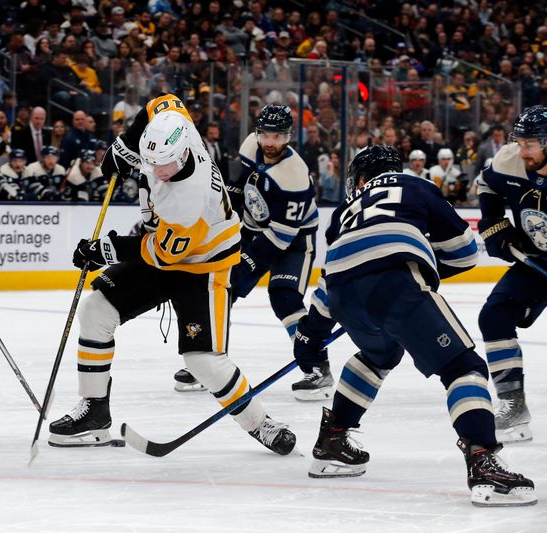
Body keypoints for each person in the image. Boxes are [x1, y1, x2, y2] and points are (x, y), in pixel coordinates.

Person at [48, 94, 296, 456]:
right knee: (95, 312)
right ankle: (95, 412)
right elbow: (164, 101)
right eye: (150, 163)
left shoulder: (187, 200)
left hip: (203, 266)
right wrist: (124, 145)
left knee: (202, 361)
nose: (154, 171)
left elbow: (161, 254)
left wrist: (107, 249)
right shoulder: (180, 135)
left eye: (162, 166)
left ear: (181, 157)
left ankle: (261, 423)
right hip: (165, 248)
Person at [294, 145, 535, 507]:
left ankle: (332, 440)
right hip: (395, 283)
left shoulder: (344, 210)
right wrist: (422, 263)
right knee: (463, 367)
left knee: (380, 353)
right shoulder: (416, 185)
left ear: (360, 179)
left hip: (344, 291)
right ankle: (483, 462)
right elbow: (466, 253)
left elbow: (332, 279)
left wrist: (310, 333)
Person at [173, 104, 325, 401]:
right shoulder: (251, 146)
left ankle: (317, 366)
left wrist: (249, 260)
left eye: (278, 137)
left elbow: (280, 237)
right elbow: (239, 185)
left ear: (289, 137)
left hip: (294, 239)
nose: (270, 143)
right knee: (221, 288)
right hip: (256, 228)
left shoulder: (294, 176)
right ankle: (208, 363)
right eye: (266, 135)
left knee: (284, 297)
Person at [475, 105, 547, 444]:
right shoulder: (510, 160)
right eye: (519, 142)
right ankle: (513, 403)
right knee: (494, 316)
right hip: (536, 262)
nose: (522, 150)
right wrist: (493, 225)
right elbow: (485, 184)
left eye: (529, 144)